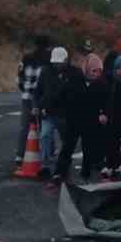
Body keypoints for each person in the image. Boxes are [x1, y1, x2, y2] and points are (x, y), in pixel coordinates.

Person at [55, 53, 108, 182]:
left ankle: (85, 174)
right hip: (73, 119)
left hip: (91, 121)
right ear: (87, 69)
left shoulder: (102, 84)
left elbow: (107, 101)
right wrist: (57, 109)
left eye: (99, 71)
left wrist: (104, 113)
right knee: (68, 147)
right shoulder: (75, 79)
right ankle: (60, 173)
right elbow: (61, 95)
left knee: (88, 148)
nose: (96, 74)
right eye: (94, 71)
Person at [34, 46, 79, 178]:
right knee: (44, 136)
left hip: (66, 114)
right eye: (55, 62)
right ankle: (45, 166)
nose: (57, 65)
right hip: (48, 112)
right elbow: (38, 91)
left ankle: (64, 165)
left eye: (59, 62)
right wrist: (36, 106)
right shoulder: (46, 72)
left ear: (66, 60)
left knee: (66, 141)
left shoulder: (74, 73)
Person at [16, 35, 48, 162]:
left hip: (27, 97)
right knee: (44, 127)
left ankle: (20, 155)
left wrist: (24, 89)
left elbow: (19, 77)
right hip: (41, 98)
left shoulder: (26, 58)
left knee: (24, 127)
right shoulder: (48, 60)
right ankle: (44, 154)